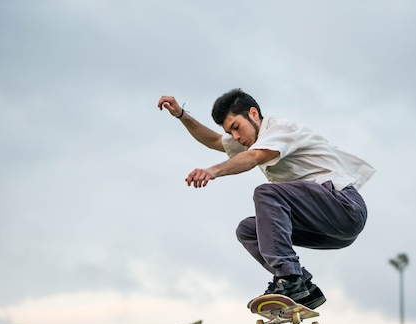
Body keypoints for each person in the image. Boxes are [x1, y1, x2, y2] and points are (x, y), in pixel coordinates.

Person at [157, 89, 375, 309]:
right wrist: (181, 115)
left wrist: (213, 171)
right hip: (330, 231)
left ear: (253, 114)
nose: (236, 138)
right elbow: (214, 140)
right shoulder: (250, 141)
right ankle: (305, 287)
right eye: (230, 133)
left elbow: (254, 157)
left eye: (236, 128)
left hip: (344, 207)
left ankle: (289, 280)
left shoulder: (281, 129)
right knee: (248, 229)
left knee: (267, 193)